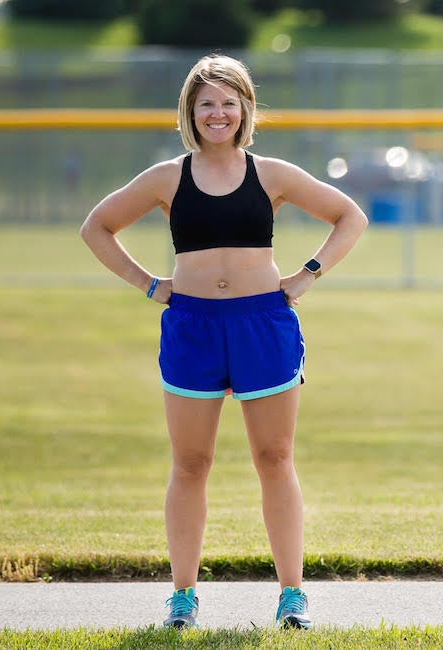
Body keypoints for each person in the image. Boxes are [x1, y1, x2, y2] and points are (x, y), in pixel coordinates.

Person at [79, 54, 368, 630]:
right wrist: (149, 285)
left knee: (275, 458)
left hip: (263, 322)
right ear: (190, 111)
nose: (218, 113)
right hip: (192, 326)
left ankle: (292, 597)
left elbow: (348, 216)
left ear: (245, 110)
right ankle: (182, 599)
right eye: (206, 102)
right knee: (190, 463)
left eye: (229, 102)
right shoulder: (167, 177)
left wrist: (306, 274)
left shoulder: (271, 175)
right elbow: (97, 226)